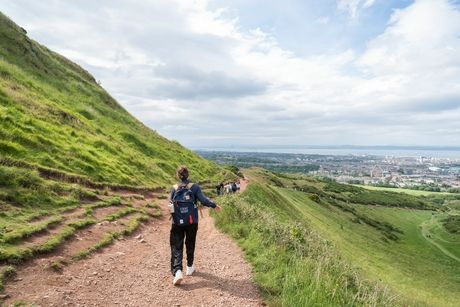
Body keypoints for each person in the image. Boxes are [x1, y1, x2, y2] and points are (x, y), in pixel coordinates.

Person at [169, 165, 221, 286]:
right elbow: (203, 200)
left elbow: (170, 204)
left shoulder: (174, 188)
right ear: (188, 174)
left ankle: (177, 272)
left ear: (178, 176)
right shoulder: (194, 187)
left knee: (177, 245)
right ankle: (189, 267)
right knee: (190, 242)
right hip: (192, 221)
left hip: (177, 222)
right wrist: (214, 206)